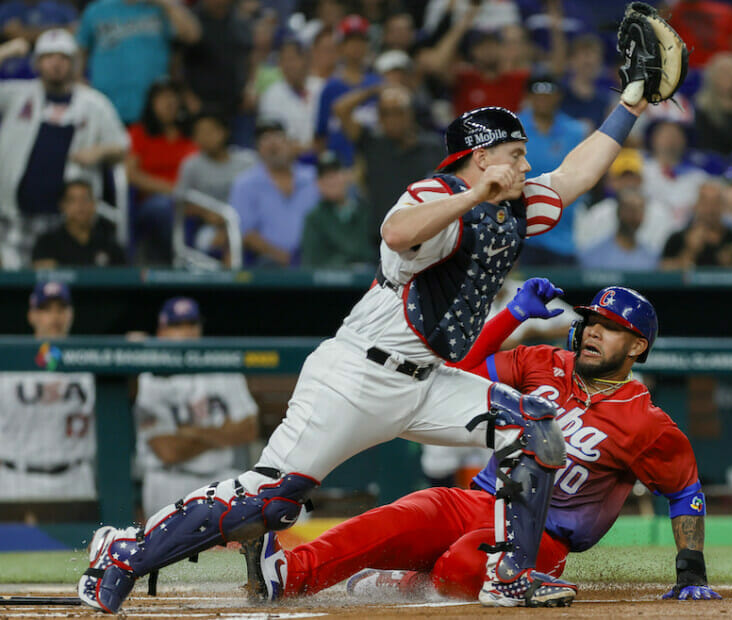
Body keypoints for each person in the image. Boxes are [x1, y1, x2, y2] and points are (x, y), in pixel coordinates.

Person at [78, 92, 651, 612]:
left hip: (427, 381)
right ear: (482, 157)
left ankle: (510, 574)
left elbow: (576, 173)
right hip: (356, 375)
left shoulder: (513, 205)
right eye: (516, 152)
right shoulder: (439, 191)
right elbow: (398, 233)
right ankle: (124, 549)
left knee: (533, 425)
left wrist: (630, 103)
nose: (527, 165)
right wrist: (477, 192)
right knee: (269, 502)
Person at [242, 284, 721, 604]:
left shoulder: (648, 423)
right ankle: (283, 577)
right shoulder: (540, 362)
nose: (595, 330)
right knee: (387, 522)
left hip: (539, 539)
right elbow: (458, 370)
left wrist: (691, 570)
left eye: (612, 327)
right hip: (474, 500)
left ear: (637, 347)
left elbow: (685, 490)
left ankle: (405, 583)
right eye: (593, 320)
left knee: (461, 566)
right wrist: (511, 315)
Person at [0, 29, 128, 268]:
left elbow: (122, 147)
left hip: (68, 223)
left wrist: (99, 151)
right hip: (15, 217)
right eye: (49, 57)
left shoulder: (94, 103)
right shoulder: (16, 94)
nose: (56, 64)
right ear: (37, 63)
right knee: (10, 289)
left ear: (75, 64)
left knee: (59, 291)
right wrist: (6, 50)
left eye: (63, 58)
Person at [134, 297, 259, 516]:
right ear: (162, 332)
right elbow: (167, 450)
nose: (187, 332)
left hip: (219, 479)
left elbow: (249, 429)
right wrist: (222, 435)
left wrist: (191, 433)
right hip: (168, 481)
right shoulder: (150, 376)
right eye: (177, 326)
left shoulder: (223, 366)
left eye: (191, 324)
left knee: (226, 550)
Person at [0, 282, 96, 504]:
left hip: (75, 477)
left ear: (71, 314)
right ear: (32, 315)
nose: (55, 317)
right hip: (18, 478)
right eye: (46, 309)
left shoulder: (91, 363)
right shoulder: (7, 362)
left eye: (61, 309)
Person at [334, 84, 441, 247]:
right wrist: (373, 90)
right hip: (380, 239)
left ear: (409, 114)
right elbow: (340, 109)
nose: (391, 119)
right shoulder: (372, 143)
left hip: (422, 237)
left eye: (397, 112)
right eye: (385, 113)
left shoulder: (432, 147)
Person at [77, 0, 201, 124]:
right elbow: (80, 49)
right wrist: (79, 81)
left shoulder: (159, 6)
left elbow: (192, 35)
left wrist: (164, 1)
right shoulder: (98, 8)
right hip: (108, 104)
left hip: (153, 106)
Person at [515, 74, 589, 267]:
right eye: (538, 94)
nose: (543, 100)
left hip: (564, 235)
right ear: (529, 97)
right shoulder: (513, 129)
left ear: (558, 97)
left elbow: (584, 174)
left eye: (549, 94)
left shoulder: (576, 131)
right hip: (522, 233)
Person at [228, 120, 318, 267]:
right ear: (258, 148)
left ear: (292, 144)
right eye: (265, 139)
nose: (273, 144)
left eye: (278, 137)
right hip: (268, 262)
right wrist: (287, 259)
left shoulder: (314, 178)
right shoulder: (245, 184)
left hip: (316, 258)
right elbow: (246, 233)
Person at [126, 79, 198, 263]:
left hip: (192, 200)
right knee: (163, 207)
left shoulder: (191, 136)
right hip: (153, 202)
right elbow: (131, 173)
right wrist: (171, 189)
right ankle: (174, 261)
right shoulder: (139, 132)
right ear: (152, 104)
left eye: (173, 100)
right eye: (163, 99)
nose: (169, 104)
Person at [174, 109, 256, 258]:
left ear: (224, 132)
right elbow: (180, 204)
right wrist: (205, 213)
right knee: (211, 241)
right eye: (200, 132)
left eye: (211, 131)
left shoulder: (247, 161)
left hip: (249, 224)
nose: (206, 137)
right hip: (211, 227)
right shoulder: (191, 165)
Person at [314, 15, 381, 165]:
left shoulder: (378, 82)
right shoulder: (330, 88)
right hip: (339, 167)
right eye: (351, 41)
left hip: (373, 166)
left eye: (361, 40)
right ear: (340, 46)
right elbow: (320, 136)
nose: (356, 46)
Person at [181, 0, 252, 127]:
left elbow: (249, 57)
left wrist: (249, 86)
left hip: (236, 107)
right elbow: (176, 63)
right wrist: (187, 95)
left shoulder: (241, 21)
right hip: (201, 108)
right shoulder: (190, 21)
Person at [660, 180, 732, 270]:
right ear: (695, 205)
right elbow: (664, 275)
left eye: (716, 202)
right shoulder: (677, 239)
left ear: (724, 206)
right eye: (704, 202)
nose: (710, 208)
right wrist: (690, 251)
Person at [300, 151, 372, 267]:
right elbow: (311, 263)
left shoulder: (365, 212)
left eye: (336, 173)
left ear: (347, 176)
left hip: (368, 281)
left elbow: (373, 252)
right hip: (326, 284)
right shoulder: (314, 219)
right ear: (318, 184)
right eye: (325, 177)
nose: (331, 181)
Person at [32, 179, 126, 268]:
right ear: (63, 205)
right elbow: (42, 276)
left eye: (85, 199)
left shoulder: (109, 244)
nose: (80, 205)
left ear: (94, 204)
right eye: (73, 200)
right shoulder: (47, 243)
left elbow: (123, 278)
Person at [258, 34, 323, 157]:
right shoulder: (271, 95)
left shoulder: (321, 87)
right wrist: (306, 147)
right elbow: (272, 138)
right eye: (284, 60)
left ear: (305, 59)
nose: (289, 65)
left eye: (293, 59)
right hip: (288, 161)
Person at [578, 188, 658, 271]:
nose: (634, 217)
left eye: (639, 211)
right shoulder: (594, 254)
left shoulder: (651, 257)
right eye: (630, 210)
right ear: (619, 211)